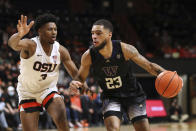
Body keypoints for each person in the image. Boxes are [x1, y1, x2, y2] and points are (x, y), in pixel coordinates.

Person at [70, 19, 166, 131]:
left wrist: (167, 74)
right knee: (112, 129)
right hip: (111, 96)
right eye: (92, 33)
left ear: (109, 34)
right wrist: (75, 83)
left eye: (98, 33)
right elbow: (80, 79)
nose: (94, 36)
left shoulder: (125, 49)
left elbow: (149, 66)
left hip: (133, 95)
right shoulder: (88, 56)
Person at [8, 13, 79, 131]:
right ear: (40, 31)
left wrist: (82, 84)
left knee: (60, 110)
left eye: (55, 29)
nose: (54, 32)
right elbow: (13, 44)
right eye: (50, 29)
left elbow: (74, 71)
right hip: (27, 92)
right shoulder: (31, 45)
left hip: (48, 89)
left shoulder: (60, 50)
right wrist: (19, 35)